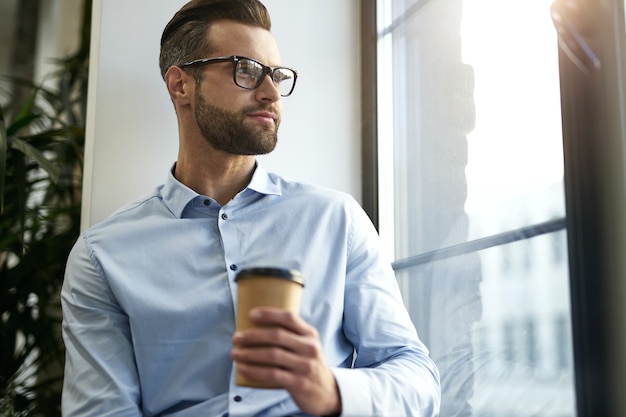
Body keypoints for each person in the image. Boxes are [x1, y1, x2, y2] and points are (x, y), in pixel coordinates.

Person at [60, 0, 441, 416]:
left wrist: (329, 389)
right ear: (180, 85)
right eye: (246, 70)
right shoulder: (102, 257)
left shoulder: (337, 222)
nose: (271, 93)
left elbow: (417, 380)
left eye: (276, 75)